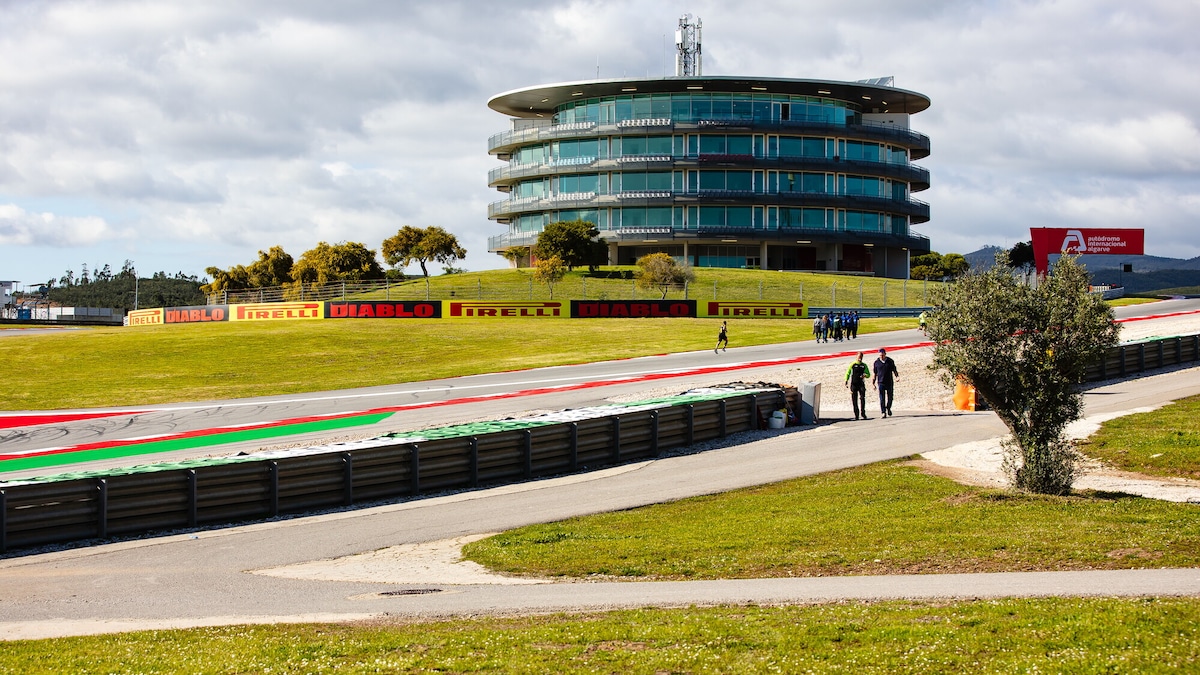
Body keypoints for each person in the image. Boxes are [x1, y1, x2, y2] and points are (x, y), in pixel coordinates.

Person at [872, 347, 899, 417]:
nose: (881, 356)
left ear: (885, 354)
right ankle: (883, 412)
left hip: (889, 381)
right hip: (881, 382)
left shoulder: (890, 361)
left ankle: (888, 407)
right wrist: (873, 383)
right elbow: (875, 373)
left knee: (890, 397)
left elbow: (894, 370)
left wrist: (897, 376)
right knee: (882, 398)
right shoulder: (876, 363)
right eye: (880, 355)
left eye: (882, 355)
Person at [844, 351, 871, 420]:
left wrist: (865, 375)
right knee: (854, 399)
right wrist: (846, 380)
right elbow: (848, 372)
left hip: (861, 384)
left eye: (861, 357)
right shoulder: (853, 364)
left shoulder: (864, 365)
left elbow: (868, 374)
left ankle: (863, 413)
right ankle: (856, 414)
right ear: (856, 357)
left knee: (862, 398)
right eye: (859, 357)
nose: (860, 358)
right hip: (854, 384)